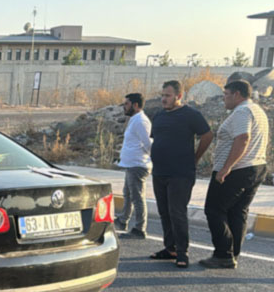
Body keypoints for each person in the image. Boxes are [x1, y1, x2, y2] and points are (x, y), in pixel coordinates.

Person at [199, 80, 269, 269]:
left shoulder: (242, 112)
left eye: (226, 94)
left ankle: (223, 254)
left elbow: (243, 138)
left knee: (214, 210)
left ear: (237, 94)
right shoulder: (257, 111)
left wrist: (226, 168)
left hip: (237, 170)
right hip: (255, 167)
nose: (224, 98)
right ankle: (232, 253)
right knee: (237, 212)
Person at [149, 80, 214, 268]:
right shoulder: (159, 115)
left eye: (167, 95)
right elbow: (158, 139)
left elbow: (207, 135)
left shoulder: (190, 115)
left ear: (179, 96)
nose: (163, 99)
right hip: (160, 172)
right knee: (164, 212)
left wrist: (196, 158)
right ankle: (170, 248)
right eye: (162, 95)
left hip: (180, 173)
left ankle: (182, 252)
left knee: (177, 212)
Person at [114, 93, 153, 239]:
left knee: (137, 197)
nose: (124, 107)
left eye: (127, 104)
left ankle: (140, 229)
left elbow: (148, 143)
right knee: (128, 194)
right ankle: (123, 220)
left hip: (138, 165)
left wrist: (146, 159)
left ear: (135, 105)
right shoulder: (134, 120)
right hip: (131, 165)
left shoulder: (141, 121)